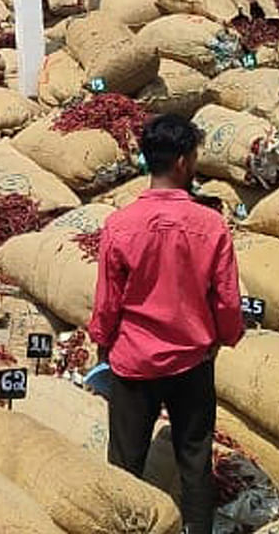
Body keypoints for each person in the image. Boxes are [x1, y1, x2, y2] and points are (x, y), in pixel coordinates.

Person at [87, 113, 242, 534]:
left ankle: (123, 526)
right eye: (193, 156)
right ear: (181, 162)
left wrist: (103, 344)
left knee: (124, 462)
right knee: (194, 459)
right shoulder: (210, 225)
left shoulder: (119, 225)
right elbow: (227, 299)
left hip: (133, 363)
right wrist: (224, 338)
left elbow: (107, 303)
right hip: (192, 361)